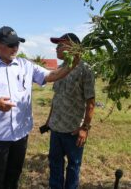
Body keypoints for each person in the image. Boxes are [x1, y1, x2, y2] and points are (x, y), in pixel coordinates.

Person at [0, 26, 79, 189]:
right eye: (11, 45)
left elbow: (51, 76)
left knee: (14, 174)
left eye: (17, 44)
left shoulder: (26, 65)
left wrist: (72, 64)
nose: (15, 48)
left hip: (20, 133)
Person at [45, 33, 95, 189]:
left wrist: (85, 128)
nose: (57, 48)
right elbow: (56, 97)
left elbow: (91, 102)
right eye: (57, 45)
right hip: (56, 128)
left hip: (73, 130)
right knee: (55, 164)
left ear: (73, 47)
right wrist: (49, 121)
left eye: (60, 45)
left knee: (73, 165)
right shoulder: (60, 69)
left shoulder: (85, 70)